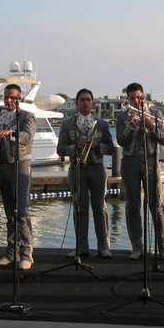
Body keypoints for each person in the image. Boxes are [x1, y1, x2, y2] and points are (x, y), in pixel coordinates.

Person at [116, 82, 164, 260]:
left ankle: (163, 246)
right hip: (130, 161)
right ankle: (137, 246)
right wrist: (130, 127)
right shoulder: (122, 117)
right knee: (132, 204)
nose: (135, 101)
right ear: (127, 99)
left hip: (150, 160)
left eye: (138, 97)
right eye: (131, 98)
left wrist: (151, 125)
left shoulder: (156, 114)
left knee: (156, 203)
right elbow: (121, 141)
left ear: (144, 96)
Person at [56, 88, 114, 258]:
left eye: (88, 100)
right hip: (77, 169)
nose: (85, 103)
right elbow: (60, 149)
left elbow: (110, 148)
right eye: (82, 100)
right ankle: (82, 247)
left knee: (99, 208)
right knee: (80, 209)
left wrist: (97, 146)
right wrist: (75, 147)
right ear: (76, 103)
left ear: (93, 103)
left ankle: (103, 246)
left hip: (97, 169)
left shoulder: (101, 124)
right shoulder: (68, 124)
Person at [0, 84, 37, 270]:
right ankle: (11, 253)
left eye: (12, 97)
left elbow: (28, 136)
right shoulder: (0, 117)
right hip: (3, 167)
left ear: (20, 98)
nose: (8, 100)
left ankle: (27, 253)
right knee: (9, 213)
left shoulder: (27, 116)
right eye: (6, 97)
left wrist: (11, 133)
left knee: (22, 212)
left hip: (21, 167)